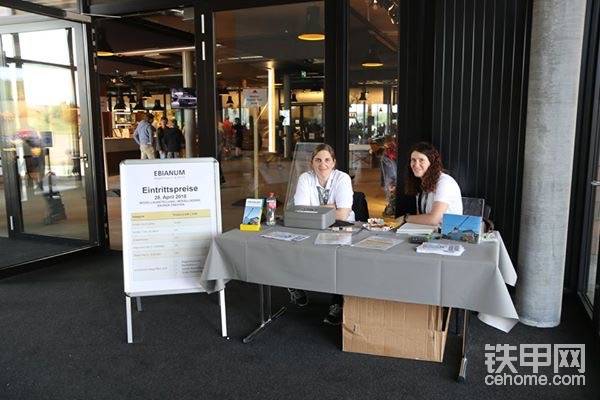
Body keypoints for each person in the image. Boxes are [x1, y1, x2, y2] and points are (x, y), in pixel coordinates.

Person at [289, 143, 354, 325]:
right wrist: (331, 207)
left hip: (340, 226)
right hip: (311, 226)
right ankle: (296, 285)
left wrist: (314, 209)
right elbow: (300, 210)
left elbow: (342, 214)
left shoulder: (342, 178)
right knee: (294, 248)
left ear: (334, 162)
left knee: (339, 258)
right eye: (318, 160)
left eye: (327, 160)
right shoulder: (305, 178)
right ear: (312, 163)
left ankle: (337, 302)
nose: (322, 164)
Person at [398, 142, 462, 226]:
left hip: (447, 236)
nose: (416, 165)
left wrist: (405, 218)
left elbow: (433, 220)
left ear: (431, 163)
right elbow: (421, 217)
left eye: (421, 160)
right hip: (429, 232)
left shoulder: (445, 182)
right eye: (413, 160)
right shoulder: (422, 182)